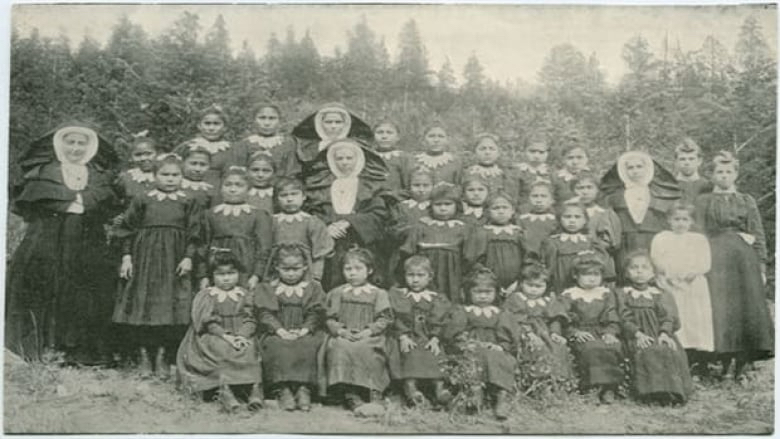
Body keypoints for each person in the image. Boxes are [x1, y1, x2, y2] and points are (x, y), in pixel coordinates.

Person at [7, 121, 118, 363]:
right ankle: (42, 345)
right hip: (47, 239)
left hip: (87, 242)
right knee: (44, 284)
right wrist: (73, 202)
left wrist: (79, 202)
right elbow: (35, 201)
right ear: (60, 145)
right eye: (71, 142)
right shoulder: (44, 171)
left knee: (84, 289)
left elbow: (104, 203)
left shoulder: (98, 175)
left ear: (90, 148)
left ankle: (77, 349)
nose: (76, 148)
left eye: (81, 143)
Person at [113, 154, 203, 378]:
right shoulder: (143, 199)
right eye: (165, 174)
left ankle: (163, 356)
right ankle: (144, 356)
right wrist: (126, 257)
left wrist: (188, 257)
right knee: (143, 306)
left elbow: (196, 233)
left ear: (182, 177)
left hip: (174, 261)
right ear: (154, 176)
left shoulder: (189, 201)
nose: (170, 179)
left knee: (169, 308)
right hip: (145, 259)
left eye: (175, 175)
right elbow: (127, 230)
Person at [694, 151, 773, 377]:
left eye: (729, 172)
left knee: (745, 308)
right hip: (716, 258)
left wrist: (762, 266)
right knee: (722, 308)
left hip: (743, 259)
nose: (724, 176)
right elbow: (699, 232)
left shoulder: (746, 201)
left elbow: (757, 234)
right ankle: (724, 359)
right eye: (719, 172)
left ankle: (743, 362)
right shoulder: (703, 201)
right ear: (712, 175)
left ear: (736, 174)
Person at [176, 250, 263, 413]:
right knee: (220, 349)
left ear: (238, 273)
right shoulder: (207, 295)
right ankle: (225, 390)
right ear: (212, 276)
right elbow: (208, 322)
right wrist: (228, 337)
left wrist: (242, 335)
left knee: (249, 347)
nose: (226, 278)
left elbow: (250, 318)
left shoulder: (244, 294)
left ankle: (254, 389)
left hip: (240, 333)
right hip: (215, 334)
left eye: (231, 273)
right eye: (220, 274)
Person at [305, 138, 393, 290]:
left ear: (358, 159)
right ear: (331, 160)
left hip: (360, 240)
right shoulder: (320, 185)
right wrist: (326, 227)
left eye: (349, 158)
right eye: (339, 158)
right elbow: (313, 212)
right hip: (331, 243)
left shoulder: (370, 185)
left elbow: (378, 214)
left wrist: (350, 222)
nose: (344, 162)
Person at [255, 243, 327, 412]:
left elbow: (315, 312)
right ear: (276, 267)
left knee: (309, 345)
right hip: (276, 331)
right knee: (276, 346)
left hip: (304, 330)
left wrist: (304, 329)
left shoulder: (313, 288)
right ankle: (282, 389)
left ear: (304, 268)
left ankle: (304, 388)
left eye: (296, 269)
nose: (291, 273)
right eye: (285, 269)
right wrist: (280, 330)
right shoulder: (268, 287)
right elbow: (265, 314)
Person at [443, 265, 521, 420]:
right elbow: (455, 333)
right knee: (474, 359)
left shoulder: (500, 313)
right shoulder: (463, 311)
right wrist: (467, 343)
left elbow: (508, 335)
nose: (483, 296)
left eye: (488, 292)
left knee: (500, 358)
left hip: (495, 348)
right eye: (478, 292)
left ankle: (501, 399)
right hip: (471, 347)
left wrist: (501, 346)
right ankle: (475, 395)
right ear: (468, 293)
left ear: (496, 293)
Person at [320, 248, 393, 411]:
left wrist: (369, 331)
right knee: (340, 346)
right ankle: (350, 392)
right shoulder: (338, 293)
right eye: (348, 269)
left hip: (369, 335)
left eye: (358, 269)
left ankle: (373, 391)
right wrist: (340, 331)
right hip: (344, 334)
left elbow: (384, 318)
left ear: (370, 270)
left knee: (366, 348)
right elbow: (329, 318)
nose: (352, 273)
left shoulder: (378, 294)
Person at [616, 250, 693, 405]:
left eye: (645, 268)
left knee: (666, 350)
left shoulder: (661, 294)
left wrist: (665, 333)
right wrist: (637, 334)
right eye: (634, 268)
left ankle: (671, 392)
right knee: (646, 351)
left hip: (659, 333)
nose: (639, 271)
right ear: (626, 273)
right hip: (634, 334)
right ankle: (650, 393)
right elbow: (623, 318)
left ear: (653, 273)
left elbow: (668, 317)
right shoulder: (622, 294)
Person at [650, 202, 714, 368]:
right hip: (670, 284)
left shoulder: (698, 239)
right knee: (677, 317)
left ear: (691, 221)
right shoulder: (661, 238)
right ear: (669, 220)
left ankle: (700, 360)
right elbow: (656, 260)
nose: (680, 223)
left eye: (685, 219)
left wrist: (691, 273)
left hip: (693, 285)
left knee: (695, 318)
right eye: (676, 219)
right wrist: (671, 275)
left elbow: (705, 262)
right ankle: (677, 357)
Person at [601, 150, 680, 283]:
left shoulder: (659, 192)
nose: (635, 171)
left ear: (647, 168)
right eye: (630, 167)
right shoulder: (615, 196)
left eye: (639, 166)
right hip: (625, 243)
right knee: (625, 276)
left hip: (652, 241)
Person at [388, 255, 453, 408]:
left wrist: (436, 338)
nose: (415, 280)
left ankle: (439, 388)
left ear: (430, 277)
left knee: (435, 353)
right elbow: (394, 318)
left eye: (420, 275)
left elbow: (443, 320)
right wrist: (402, 336)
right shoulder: (399, 295)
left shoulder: (436, 298)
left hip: (428, 336)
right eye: (410, 275)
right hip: (407, 336)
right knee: (409, 352)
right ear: (404, 276)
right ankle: (411, 388)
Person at [559, 252, 624, 403]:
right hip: (581, 332)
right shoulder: (569, 295)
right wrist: (575, 332)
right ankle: (591, 388)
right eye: (586, 274)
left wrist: (610, 332)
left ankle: (609, 387)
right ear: (576, 276)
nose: (592, 278)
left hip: (602, 330)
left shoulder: (606, 294)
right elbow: (564, 318)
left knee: (611, 346)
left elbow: (612, 314)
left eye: (596, 274)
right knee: (590, 348)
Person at [199, 166, 273, 290]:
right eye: (228, 185)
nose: (233, 189)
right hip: (216, 266)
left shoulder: (258, 215)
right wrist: (203, 275)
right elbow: (202, 245)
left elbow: (264, 248)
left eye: (239, 185)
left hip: (246, 264)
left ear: (248, 189)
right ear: (221, 188)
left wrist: (256, 275)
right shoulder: (210, 214)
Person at [502, 262, 573, 382]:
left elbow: (554, 318)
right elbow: (515, 319)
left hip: (545, 332)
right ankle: (537, 381)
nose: (534, 290)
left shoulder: (547, 301)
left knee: (558, 347)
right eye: (530, 285)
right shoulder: (516, 299)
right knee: (536, 348)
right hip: (523, 332)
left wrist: (555, 333)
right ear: (521, 284)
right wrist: (529, 333)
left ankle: (557, 381)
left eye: (538, 286)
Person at [401, 184, 469, 304]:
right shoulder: (421, 227)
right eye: (438, 204)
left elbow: (469, 257)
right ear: (431, 206)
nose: (443, 208)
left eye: (448, 204)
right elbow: (408, 251)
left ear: (456, 205)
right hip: (423, 274)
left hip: (452, 276)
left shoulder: (463, 228)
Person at [286, 102, 379, 183]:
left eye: (338, 122)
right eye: (328, 122)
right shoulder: (307, 148)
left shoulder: (357, 145)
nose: (333, 126)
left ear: (346, 123)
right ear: (319, 123)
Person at [540, 200, 613, 293]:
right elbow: (549, 268)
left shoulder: (591, 242)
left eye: (577, 217)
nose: (572, 220)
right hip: (561, 286)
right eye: (567, 217)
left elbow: (601, 267)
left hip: (587, 287)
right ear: (559, 219)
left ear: (585, 220)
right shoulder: (552, 242)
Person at [271, 177, 334, 282]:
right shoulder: (271, 222)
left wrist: (316, 277)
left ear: (304, 196)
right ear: (277, 199)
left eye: (294, 194)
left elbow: (319, 254)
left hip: (306, 275)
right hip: (276, 275)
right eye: (284, 195)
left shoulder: (312, 222)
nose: (289, 199)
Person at [464, 192, 527, 291]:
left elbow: (528, 260)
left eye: (505, 208)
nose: (501, 211)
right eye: (496, 208)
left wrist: (519, 282)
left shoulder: (519, 233)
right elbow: (474, 262)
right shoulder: (481, 233)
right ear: (487, 212)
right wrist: (491, 282)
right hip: (487, 286)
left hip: (516, 286)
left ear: (512, 211)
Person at [571, 173, 622, 278]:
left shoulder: (605, 213)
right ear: (573, 190)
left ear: (597, 190)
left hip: (600, 260)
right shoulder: (567, 213)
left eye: (589, 187)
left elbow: (614, 242)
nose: (584, 192)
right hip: (572, 258)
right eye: (580, 188)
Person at [175, 105, 239, 186]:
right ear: (199, 126)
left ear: (224, 127)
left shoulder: (232, 149)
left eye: (216, 124)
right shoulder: (187, 146)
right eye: (207, 123)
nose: (211, 128)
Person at [235, 103, 296, 172]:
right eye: (262, 118)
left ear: (280, 121)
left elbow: (291, 171)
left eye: (272, 118)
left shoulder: (288, 143)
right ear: (253, 120)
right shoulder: (244, 144)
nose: (267, 123)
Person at [463, 133, 518, 203]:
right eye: (482, 149)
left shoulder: (506, 174)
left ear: (498, 152)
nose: (487, 152)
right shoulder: (467, 173)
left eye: (492, 149)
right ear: (475, 152)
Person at [517, 181, 558, 257]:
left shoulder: (555, 219)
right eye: (535, 196)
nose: (539, 200)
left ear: (552, 200)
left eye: (543, 196)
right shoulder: (522, 219)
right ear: (528, 199)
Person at [373, 119, 413, 192]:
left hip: (396, 199)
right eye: (380, 132)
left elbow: (409, 185)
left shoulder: (403, 158)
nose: (384, 136)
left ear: (398, 137)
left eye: (389, 133)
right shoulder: (369, 156)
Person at [513, 132, 552, 201]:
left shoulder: (552, 172)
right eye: (532, 151)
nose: (536, 156)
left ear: (547, 153)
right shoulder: (517, 172)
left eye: (541, 152)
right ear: (524, 151)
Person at [674, 138, 711, 204]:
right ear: (676, 161)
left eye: (691, 159)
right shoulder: (669, 186)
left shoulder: (708, 187)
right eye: (682, 159)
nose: (687, 163)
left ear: (699, 161)